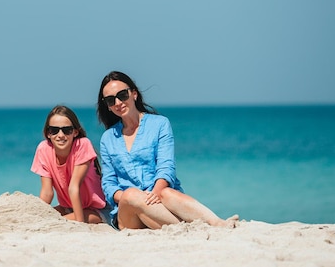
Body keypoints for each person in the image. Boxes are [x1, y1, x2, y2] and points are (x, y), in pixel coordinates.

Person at [97, 71, 238, 230]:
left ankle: (217, 223)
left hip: (161, 202)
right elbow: (108, 183)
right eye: (110, 100)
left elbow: (166, 167)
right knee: (131, 194)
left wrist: (155, 194)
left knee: (167, 192)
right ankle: (195, 228)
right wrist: (134, 198)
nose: (117, 102)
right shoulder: (108, 138)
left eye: (122, 95)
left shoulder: (160, 124)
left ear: (134, 94)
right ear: (107, 106)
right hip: (128, 214)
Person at [31, 105, 110, 224]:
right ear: (48, 133)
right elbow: (47, 192)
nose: (61, 135)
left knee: (55, 221)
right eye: (54, 130)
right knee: (38, 219)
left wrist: (79, 223)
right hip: (67, 207)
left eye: (66, 130)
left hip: (97, 210)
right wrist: (37, 215)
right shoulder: (43, 149)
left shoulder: (82, 145)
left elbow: (74, 187)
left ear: (75, 132)